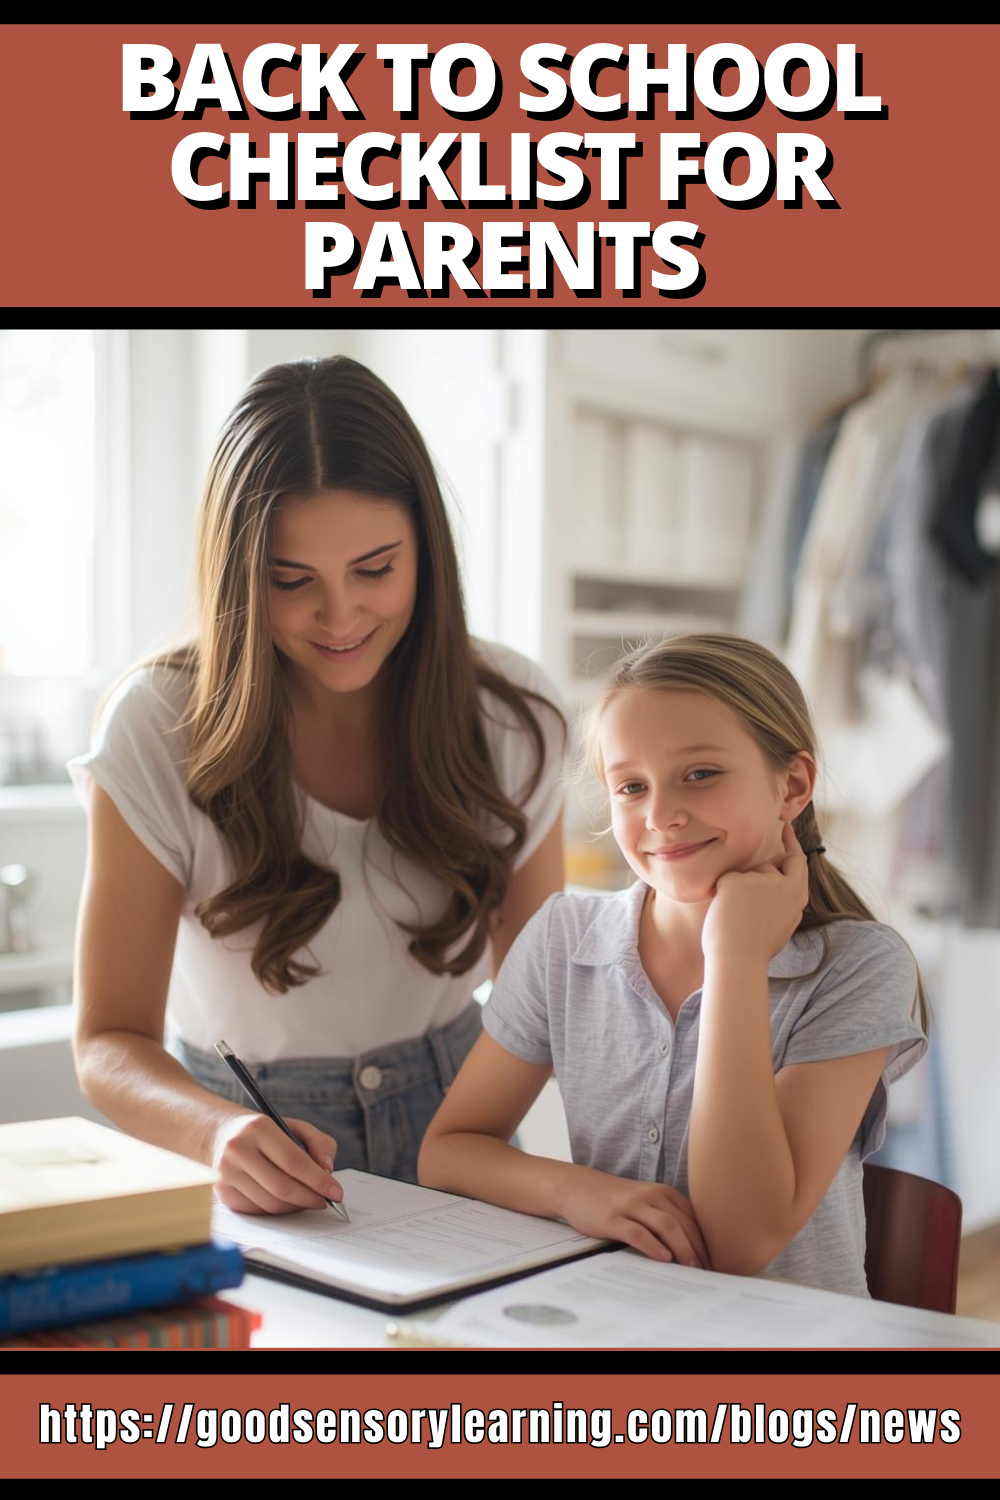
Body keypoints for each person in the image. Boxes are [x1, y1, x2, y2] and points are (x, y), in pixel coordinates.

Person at [69, 355, 566, 1216]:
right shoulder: (156, 727)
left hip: (468, 1134)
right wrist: (216, 1132)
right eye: (291, 582)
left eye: (375, 570)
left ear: (427, 551)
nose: (340, 619)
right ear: (238, 577)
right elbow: (109, 1043)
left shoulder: (515, 719)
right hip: (248, 1141)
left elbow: (548, 999)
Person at [419, 632, 929, 1298]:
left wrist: (736, 959)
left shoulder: (857, 966)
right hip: (621, 1332)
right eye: (631, 786)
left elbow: (741, 1240)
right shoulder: (562, 941)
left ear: (792, 785)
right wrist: (578, 1192)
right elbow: (447, 1150)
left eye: (700, 774)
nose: (661, 814)